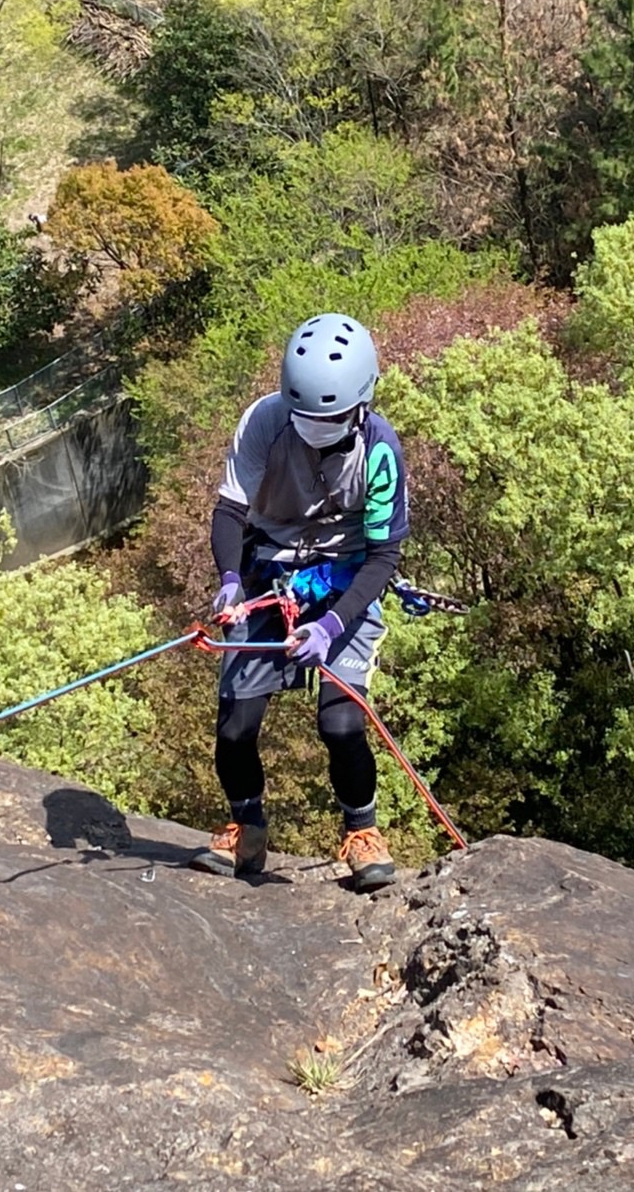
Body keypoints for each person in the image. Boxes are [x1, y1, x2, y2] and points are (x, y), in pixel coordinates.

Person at [192, 313, 409, 892]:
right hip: (268, 573)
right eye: (306, 415)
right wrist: (232, 579)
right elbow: (231, 511)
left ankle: (362, 834)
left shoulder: (380, 449)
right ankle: (248, 830)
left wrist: (335, 623)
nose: (316, 426)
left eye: (330, 417)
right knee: (236, 725)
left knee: (341, 722)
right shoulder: (265, 422)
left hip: (346, 579)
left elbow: (384, 557)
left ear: (360, 403)